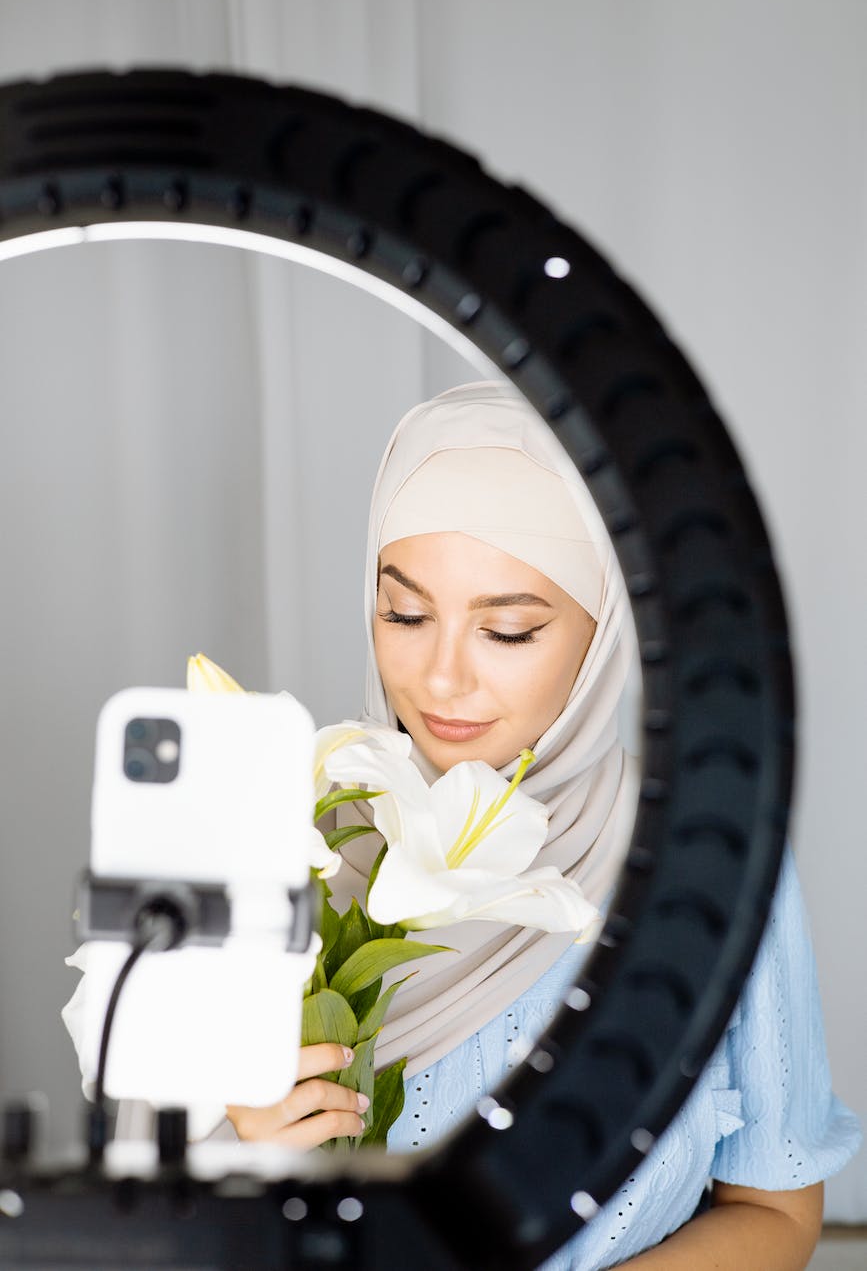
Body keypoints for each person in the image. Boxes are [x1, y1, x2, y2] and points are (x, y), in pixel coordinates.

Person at [88, 380, 865, 1268]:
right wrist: (231, 1148)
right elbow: (136, 1224)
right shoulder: (286, 838)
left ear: (602, 633)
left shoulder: (706, 863)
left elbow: (774, 1210)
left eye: (508, 630)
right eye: (405, 614)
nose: (441, 678)